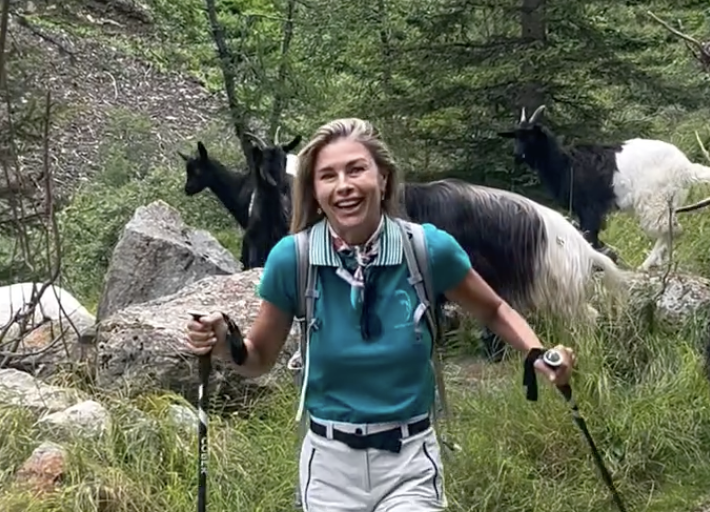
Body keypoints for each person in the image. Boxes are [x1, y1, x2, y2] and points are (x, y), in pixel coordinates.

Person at [184, 117, 577, 511]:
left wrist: (535, 351)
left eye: (356, 169)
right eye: (328, 176)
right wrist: (226, 342)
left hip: (410, 462)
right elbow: (258, 357)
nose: (344, 186)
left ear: (384, 179)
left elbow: (493, 308)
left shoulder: (426, 249)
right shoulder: (294, 258)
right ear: (314, 190)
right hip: (328, 469)